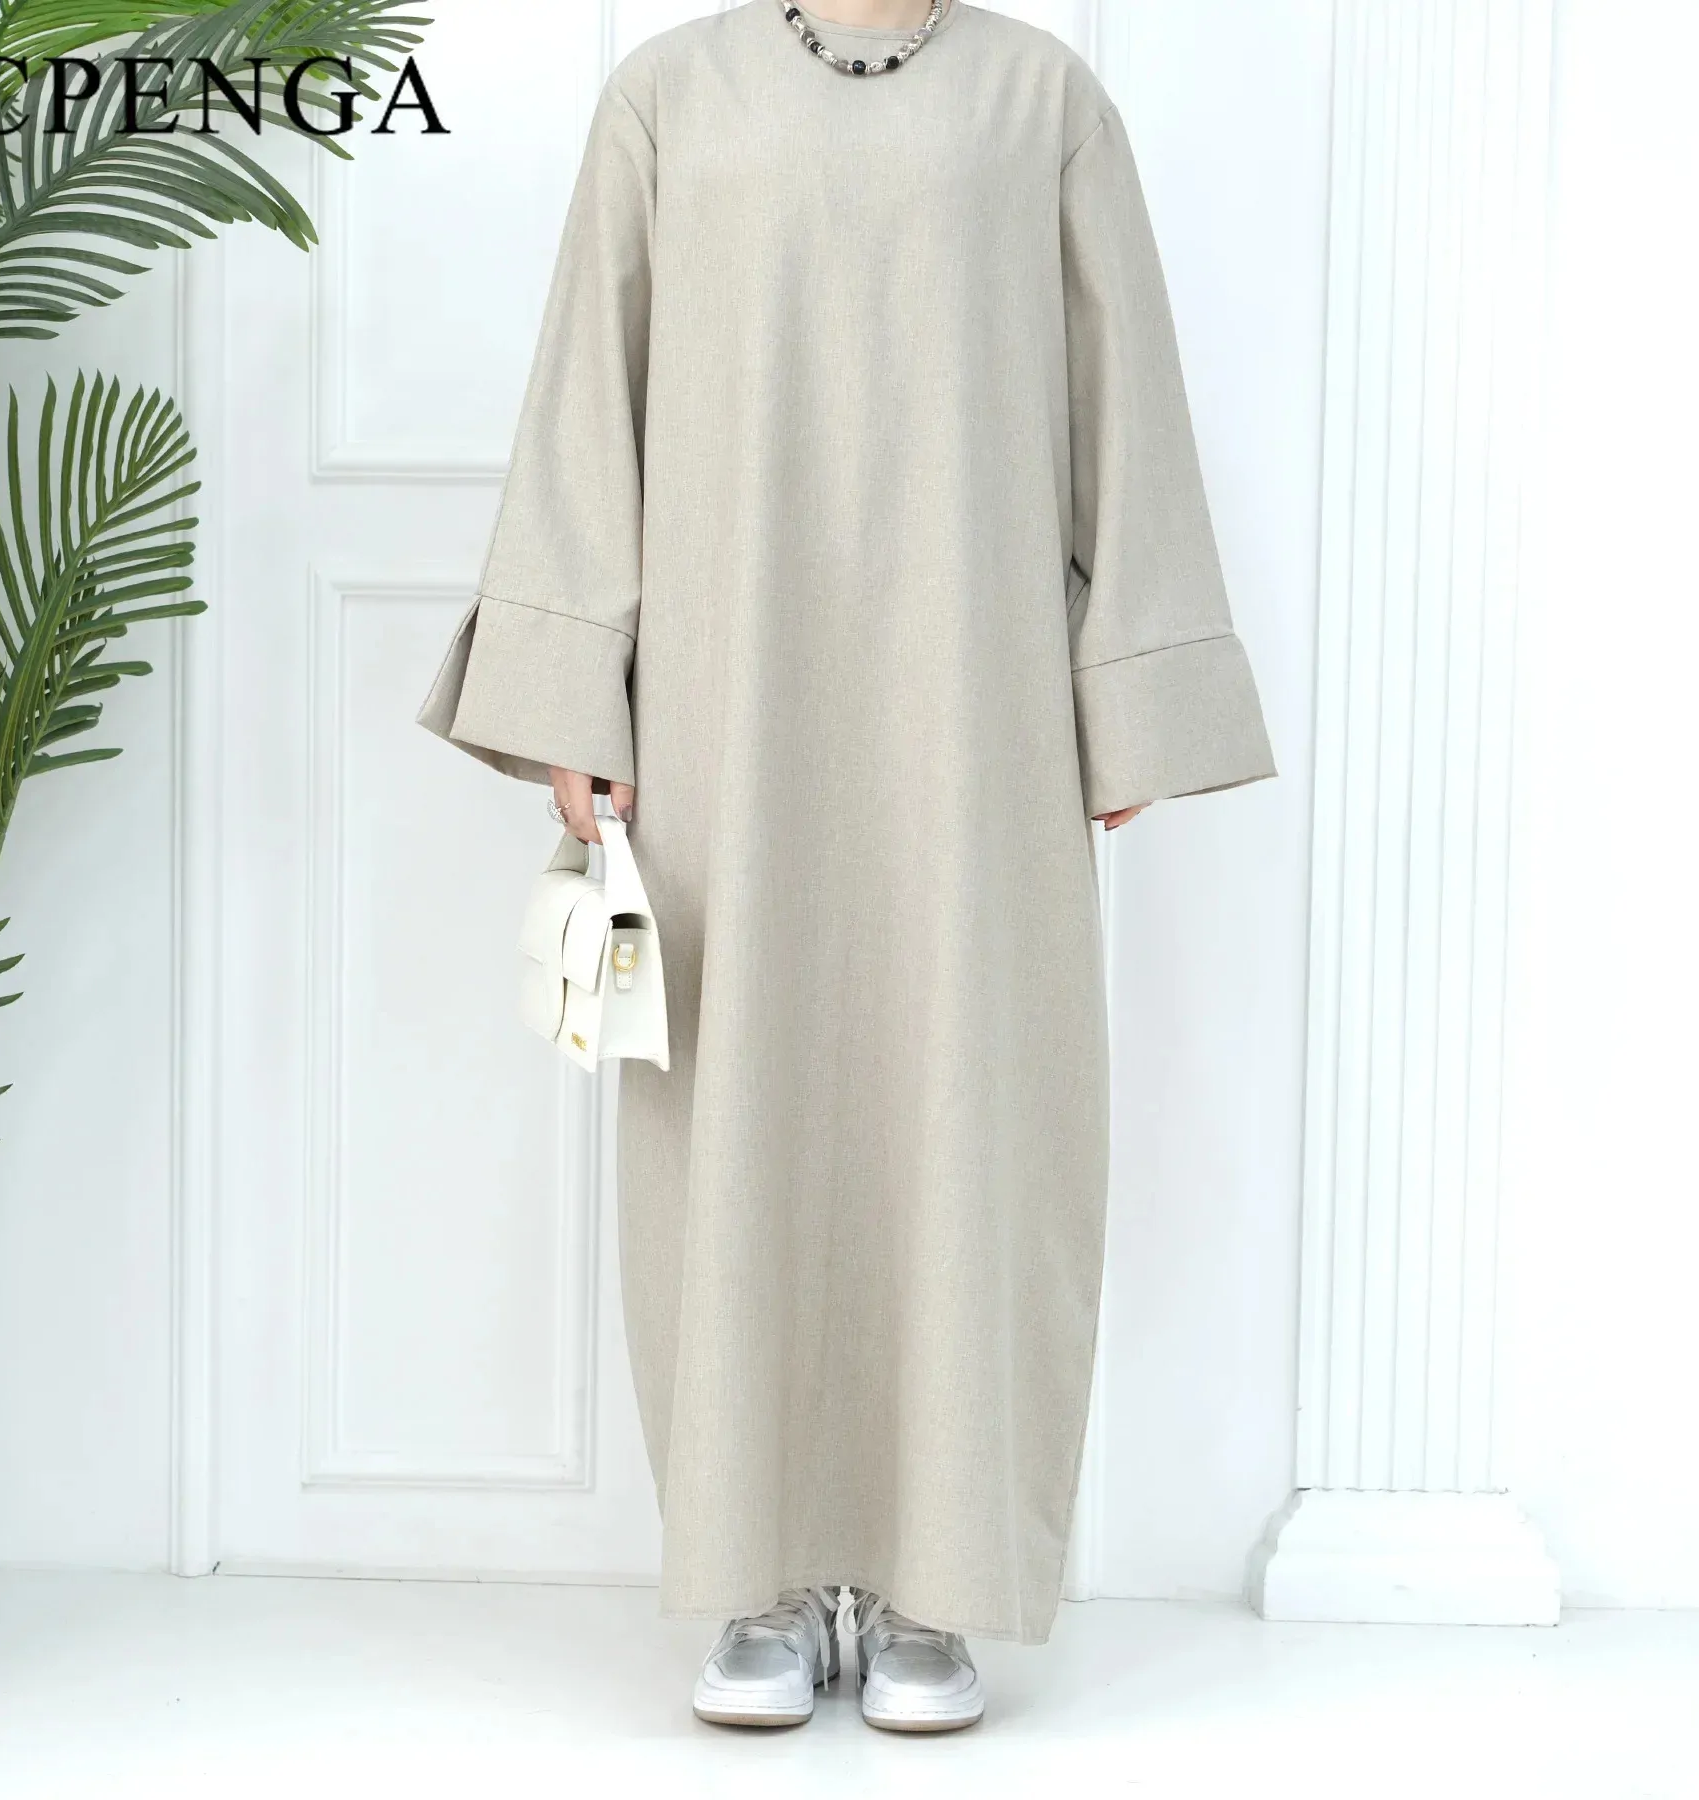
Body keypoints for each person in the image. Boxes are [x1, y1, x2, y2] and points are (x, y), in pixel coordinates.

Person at [418, 0, 1275, 1734]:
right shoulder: (668, 99)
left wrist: (1125, 705)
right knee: (731, 1116)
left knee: (968, 1117)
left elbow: (1129, 413)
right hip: (724, 701)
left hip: (977, 709)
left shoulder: (1043, 103)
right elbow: (589, 411)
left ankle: (932, 1581)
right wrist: (578, 695)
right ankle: (754, 1568)